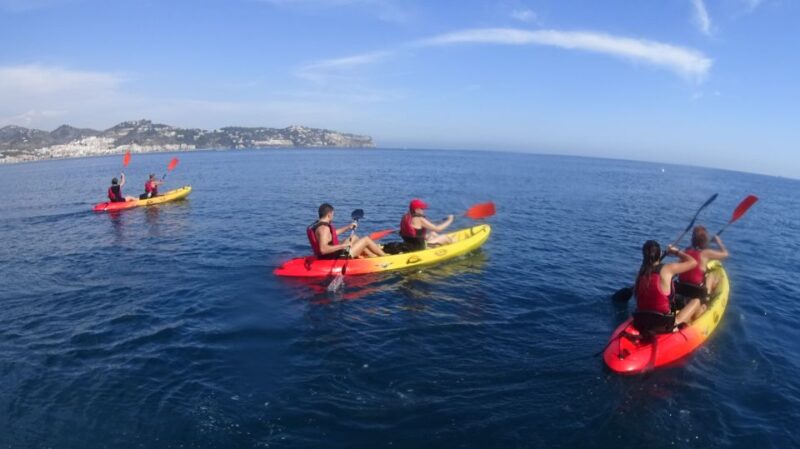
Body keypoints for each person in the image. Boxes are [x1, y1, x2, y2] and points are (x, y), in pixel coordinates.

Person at [635, 240, 705, 328]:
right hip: (664, 322)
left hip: (641, 318)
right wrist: (675, 252)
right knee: (696, 301)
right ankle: (688, 324)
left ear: (644, 255)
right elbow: (693, 262)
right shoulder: (668, 269)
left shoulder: (641, 272)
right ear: (660, 254)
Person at [307, 203, 386, 259]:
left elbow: (331, 235)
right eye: (333, 215)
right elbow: (323, 250)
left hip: (331, 255)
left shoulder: (318, 225)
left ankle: (371, 256)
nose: (333, 217)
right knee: (366, 240)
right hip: (336, 257)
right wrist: (343, 246)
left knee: (354, 237)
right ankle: (385, 256)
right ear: (329, 215)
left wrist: (348, 227)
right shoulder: (324, 228)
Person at [677, 226, 729, 300]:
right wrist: (718, 242)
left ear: (692, 239)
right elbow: (725, 254)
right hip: (696, 289)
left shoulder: (685, 251)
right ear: (705, 240)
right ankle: (707, 296)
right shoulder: (706, 253)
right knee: (711, 276)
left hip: (681, 287)